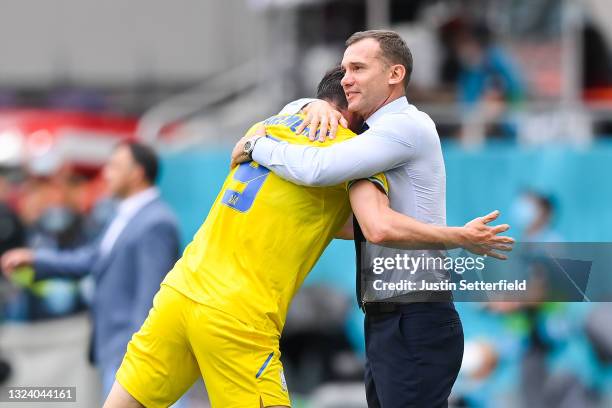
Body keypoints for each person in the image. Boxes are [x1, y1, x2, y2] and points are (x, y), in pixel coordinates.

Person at [103, 67, 511, 408]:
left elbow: (316, 218)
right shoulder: (354, 153)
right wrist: (455, 235)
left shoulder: (267, 126)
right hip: (237, 314)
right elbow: (378, 227)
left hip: (180, 290)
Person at [232, 30, 486, 407]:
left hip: (415, 315)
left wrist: (257, 144)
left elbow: (320, 169)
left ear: (395, 74)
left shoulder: (403, 126)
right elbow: (357, 225)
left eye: (358, 68)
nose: (347, 78)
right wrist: (314, 104)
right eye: (344, 69)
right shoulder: (369, 132)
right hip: (389, 318)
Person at [1, 142, 180, 397]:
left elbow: (151, 302)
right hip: (119, 353)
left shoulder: (156, 222)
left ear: (137, 173)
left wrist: (139, 361)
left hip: (132, 360)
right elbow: (92, 259)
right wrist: (36, 260)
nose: (106, 173)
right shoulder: (126, 215)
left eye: (115, 166)